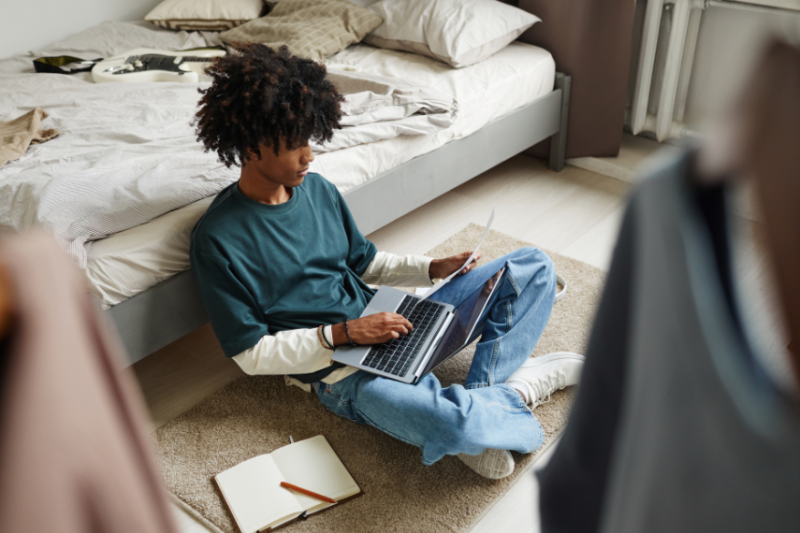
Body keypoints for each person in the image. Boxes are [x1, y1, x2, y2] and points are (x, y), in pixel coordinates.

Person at [190, 43, 584, 479]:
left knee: (533, 266)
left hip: (394, 320)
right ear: (251, 147)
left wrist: (431, 268)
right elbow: (250, 354)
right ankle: (512, 396)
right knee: (452, 422)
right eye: (293, 144)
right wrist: (345, 332)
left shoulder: (318, 190)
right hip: (342, 374)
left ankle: (481, 408)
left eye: (308, 139)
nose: (309, 155)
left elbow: (365, 262)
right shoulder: (218, 239)